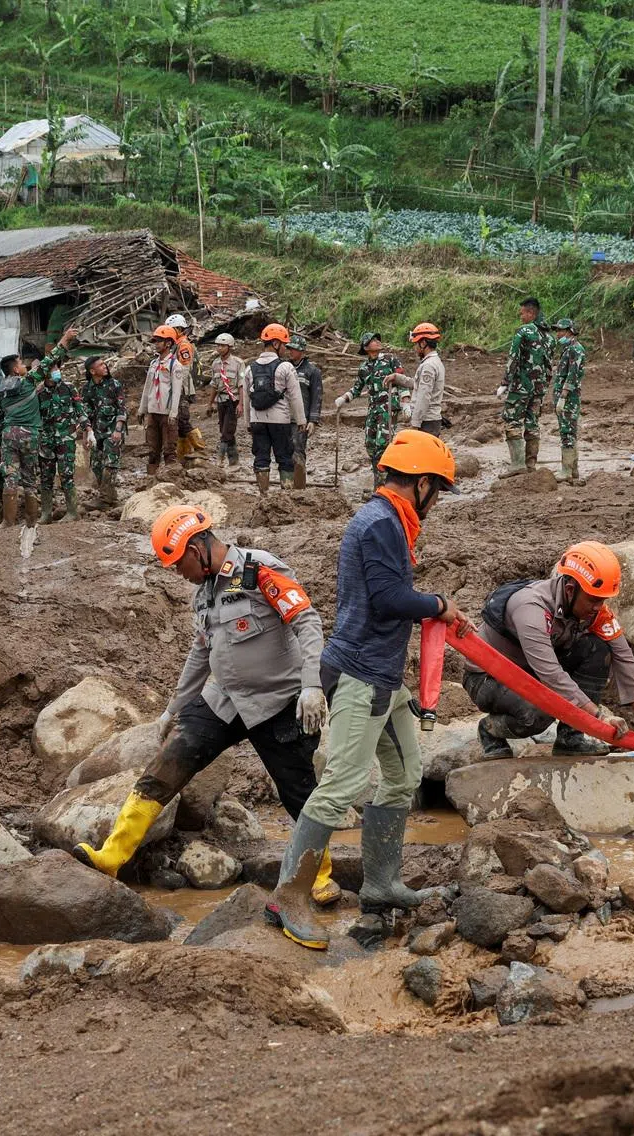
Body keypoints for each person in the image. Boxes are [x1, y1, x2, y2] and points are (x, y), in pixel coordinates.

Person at [73, 505, 339, 907]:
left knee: (298, 791)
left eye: (179, 563)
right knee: (168, 764)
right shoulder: (203, 596)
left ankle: (318, 876)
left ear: (197, 548)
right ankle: (111, 856)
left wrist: (311, 686)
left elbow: (308, 622)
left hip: (279, 701)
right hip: (225, 699)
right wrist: (172, 709)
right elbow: (200, 654)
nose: (179, 573)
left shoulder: (260, 571)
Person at [268, 431, 469, 951]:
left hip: (382, 676)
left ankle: (381, 882)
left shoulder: (388, 522)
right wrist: (438, 603)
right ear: (422, 483)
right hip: (360, 676)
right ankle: (288, 896)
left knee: (405, 776)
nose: (437, 501)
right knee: (341, 786)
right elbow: (388, 598)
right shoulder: (381, 524)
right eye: (437, 490)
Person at [462, 542, 634, 759]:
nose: (598, 607)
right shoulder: (531, 609)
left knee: (598, 650)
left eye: (603, 600)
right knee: (542, 711)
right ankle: (490, 730)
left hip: (529, 671)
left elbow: (624, 657)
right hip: (488, 678)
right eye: (593, 600)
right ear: (571, 589)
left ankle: (571, 738)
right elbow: (551, 673)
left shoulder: (593, 610)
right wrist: (598, 717)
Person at [0, 327, 78, 528]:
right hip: (29, 434)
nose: (24, 366)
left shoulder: (0, 391)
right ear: (15, 369)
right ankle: (31, 521)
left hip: (8, 435)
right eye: (21, 363)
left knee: (10, 477)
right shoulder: (28, 382)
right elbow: (51, 359)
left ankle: (8, 521)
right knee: (29, 478)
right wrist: (65, 339)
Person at [335, 331, 408, 486]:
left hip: (388, 406)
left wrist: (406, 402)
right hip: (373, 408)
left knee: (383, 443)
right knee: (370, 444)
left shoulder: (390, 359)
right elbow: (357, 388)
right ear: (366, 347)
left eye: (377, 340)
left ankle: (385, 485)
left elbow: (402, 380)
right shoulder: (364, 368)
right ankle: (378, 481)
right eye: (374, 340)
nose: (378, 342)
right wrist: (344, 398)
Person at [247, 324, 306, 495]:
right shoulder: (286, 367)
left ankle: (263, 495)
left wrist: (248, 422)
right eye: (284, 345)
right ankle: (285, 495)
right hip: (280, 421)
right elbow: (296, 396)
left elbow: (246, 398)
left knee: (261, 458)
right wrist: (301, 420)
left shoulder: (250, 368)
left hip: (257, 420)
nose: (286, 349)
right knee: (284, 458)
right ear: (275, 343)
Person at [499, 298, 555, 478]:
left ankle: (517, 464)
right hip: (539, 388)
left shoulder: (523, 332)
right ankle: (530, 464)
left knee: (512, 420)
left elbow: (513, 358)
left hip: (521, 386)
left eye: (522, 313)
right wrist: (543, 387)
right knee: (533, 423)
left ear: (531, 313)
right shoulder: (549, 337)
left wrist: (505, 383)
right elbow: (549, 366)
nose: (520, 316)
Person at [38, 358, 87, 524]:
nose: (55, 371)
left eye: (56, 368)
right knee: (46, 477)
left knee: (67, 474)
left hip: (66, 439)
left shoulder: (69, 388)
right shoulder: (38, 393)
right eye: (51, 369)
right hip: (46, 441)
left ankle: (72, 512)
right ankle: (46, 513)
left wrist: (88, 429)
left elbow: (80, 409)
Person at [138, 326, 188, 478]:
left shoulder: (175, 365)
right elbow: (148, 388)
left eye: (159, 341)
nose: (156, 344)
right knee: (152, 450)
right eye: (155, 341)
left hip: (167, 414)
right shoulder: (154, 364)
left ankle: (170, 482)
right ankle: (151, 482)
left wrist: (173, 414)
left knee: (169, 450)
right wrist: (142, 409)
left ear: (168, 343)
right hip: (153, 412)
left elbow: (177, 391)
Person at [81, 356, 127, 509]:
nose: (105, 366)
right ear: (92, 371)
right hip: (97, 433)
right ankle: (111, 498)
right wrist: (86, 434)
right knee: (96, 464)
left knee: (110, 463)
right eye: (101, 365)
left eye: (104, 364)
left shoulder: (114, 385)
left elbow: (122, 408)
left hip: (113, 431)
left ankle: (104, 499)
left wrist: (118, 430)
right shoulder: (87, 389)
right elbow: (85, 413)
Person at [166, 314, 204, 466]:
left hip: (182, 388)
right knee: (180, 425)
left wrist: (175, 386)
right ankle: (184, 457)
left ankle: (200, 449)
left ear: (177, 329)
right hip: (177, 388)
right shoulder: (176, 344)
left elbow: (185, 369)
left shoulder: (183, 345)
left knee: (182, 419)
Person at [206, 333, 247, 470]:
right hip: (221, 400)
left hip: (233, 400)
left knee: (226, 432)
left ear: (230, 347)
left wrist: (241, 404)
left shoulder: (238, 363)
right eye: (218, 345)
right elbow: (214, 385)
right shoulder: (215, 364)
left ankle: (220, 460)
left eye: (223, 346)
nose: (220, 348)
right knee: (225, 430)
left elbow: (241, 385)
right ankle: (234, 461)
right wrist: (210, 403)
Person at [552, 319, 586, 484]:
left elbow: (572, 375)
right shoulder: (568, 349)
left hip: (569, 398)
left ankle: (567, 470)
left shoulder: (575, 350)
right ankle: (573, 470)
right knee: (569, 432)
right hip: (566, 397)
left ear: (570, 331)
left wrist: (563, 398)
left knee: (567, 433)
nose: (558, 334)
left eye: (561, 331)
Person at [287, 333, 322, 489]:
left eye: (294, 349)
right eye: (289, 348)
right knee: (284, 452)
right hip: (283, 417)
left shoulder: (312, 371)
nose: (290, 352)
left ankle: (299, 488)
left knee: (298, 451)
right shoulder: (285, 367)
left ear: (302, 351)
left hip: (301, 419)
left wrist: (313, 420)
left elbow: (317, 396)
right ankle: (287, 485)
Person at [407, 323, 445, 438]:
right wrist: (398, 378)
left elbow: (424, 396)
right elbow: (418, 384)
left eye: (416, 344)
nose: (415, 348)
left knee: (422, 455)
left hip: (426, 422)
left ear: (423, 343)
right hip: (431, 420)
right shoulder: (435, 362)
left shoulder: (428, 366)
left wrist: (415, 424)